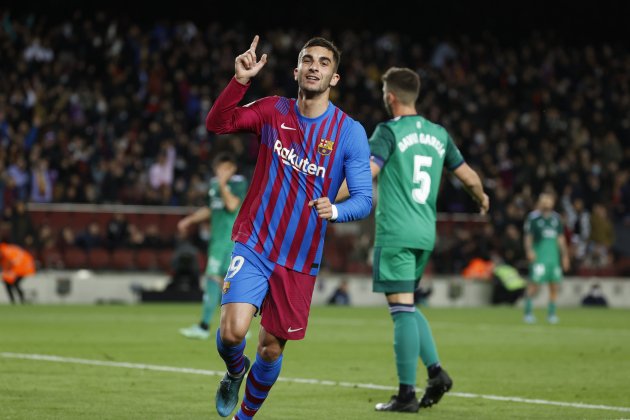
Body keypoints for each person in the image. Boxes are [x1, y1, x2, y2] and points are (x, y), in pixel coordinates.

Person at [205, 35, 372, 419]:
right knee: (232, 334)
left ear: (335, 77)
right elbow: (218, 123)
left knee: (270, 349)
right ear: (296, 70)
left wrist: (336, 210)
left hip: (298, 257)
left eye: (324, 62)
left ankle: (244, 417)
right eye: (307, 60)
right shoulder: (271, 110)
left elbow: (364, 198)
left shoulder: (350, 132)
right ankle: (234, 370)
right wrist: (240, 82)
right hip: (255, 241)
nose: (315, 66)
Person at [337, 67, 489, 412]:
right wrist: (481, 198)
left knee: (401, 311)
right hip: (425, 233)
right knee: (408, 306)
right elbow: (469, 177)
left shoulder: (388, 132)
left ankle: (406, 395)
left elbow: (367, 173)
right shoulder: (439, 133)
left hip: (396, 233)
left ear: (390, 96)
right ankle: (436, 373)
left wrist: (329, 197)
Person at [178, 152, 248, 340]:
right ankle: (239, 327)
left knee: (213, 279)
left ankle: (203, 326)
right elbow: (211, 208)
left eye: (225, 168)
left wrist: (223, 184)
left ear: (232, 169)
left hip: (229, 241)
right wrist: (190, 220)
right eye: (218, 169)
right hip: (218, 240)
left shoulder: (238, 184)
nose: (220, 172)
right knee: (228, 284)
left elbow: (233, 205)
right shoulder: (214, 186)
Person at [523, 192, 570, 324]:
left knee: (554, 286)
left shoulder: (556, 219)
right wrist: (529, 250)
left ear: (553, 203)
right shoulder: (533, 218)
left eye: (549, 200)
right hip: (539, 257)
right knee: (534, 285)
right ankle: (528, 312)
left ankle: (551, 314)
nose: (546, 203)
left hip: (553, 258)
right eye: (544, 200)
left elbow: (561, 239)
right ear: (540, 202)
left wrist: (565, 256)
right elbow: (528, 237)